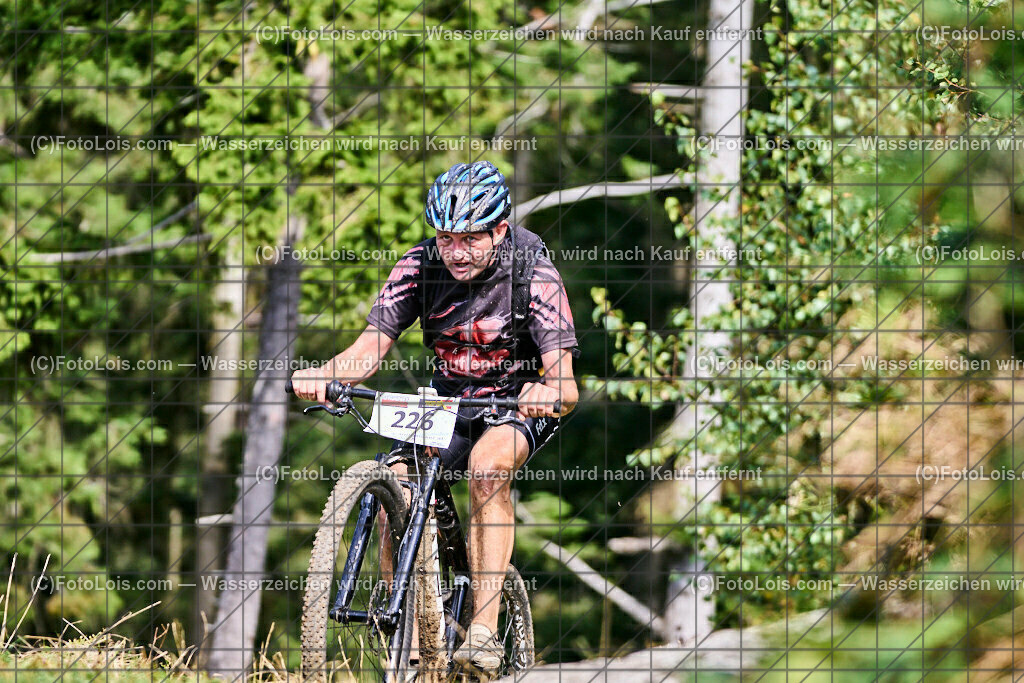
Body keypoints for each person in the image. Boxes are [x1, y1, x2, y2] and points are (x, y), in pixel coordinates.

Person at [290, 160, 579, 676]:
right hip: (450, 398)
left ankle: (486, 632)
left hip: (518, 399)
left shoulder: (534, 271)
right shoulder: (418, 266)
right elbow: (366, 351)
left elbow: (566, 382)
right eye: (446, 238)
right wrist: (324, 372)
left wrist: (548, 389)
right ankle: (410, 639)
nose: (456, 252)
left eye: (470, 239)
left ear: (500, 230)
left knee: (488, 468)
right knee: (395, 485)